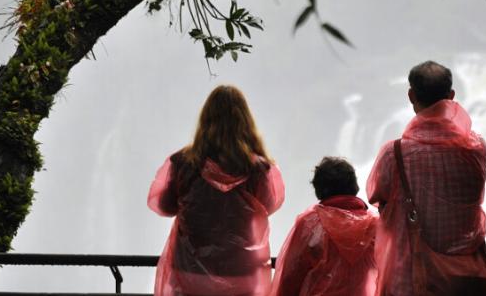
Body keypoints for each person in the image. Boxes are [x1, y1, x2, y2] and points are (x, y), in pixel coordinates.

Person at [367, 61, 486, 296]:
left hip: (412, 280)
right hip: (468, 281)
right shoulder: (477, 148)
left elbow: (376, 195)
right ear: (451, 96)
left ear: (411, 95)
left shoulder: (394, 153)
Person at [147, 85, 285, 296]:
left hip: (190, 271)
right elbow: (268, 205)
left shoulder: (183, 162)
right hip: (242, 272)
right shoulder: (259, 169)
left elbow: (163, 205)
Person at [270, 157, 378, 296]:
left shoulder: (311, 223)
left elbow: (291, 275)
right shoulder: (374, 224)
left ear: (319, 189)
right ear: (354, 186)